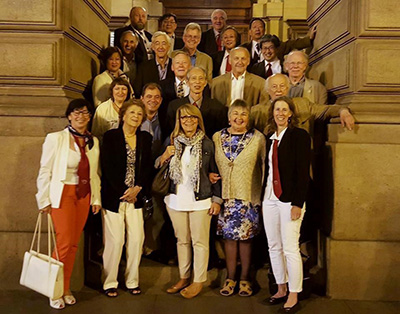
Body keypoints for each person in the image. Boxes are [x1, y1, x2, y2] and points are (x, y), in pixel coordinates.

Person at [36, 99, 101, 309]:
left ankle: (65, 288)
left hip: (83, 194)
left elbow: (94, 174)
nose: (81, 116)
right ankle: (53, 290)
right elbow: (45, 170)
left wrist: (96, 198)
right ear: (69, 115)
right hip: (62, 193)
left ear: (90, 117)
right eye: (76, 112)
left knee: (73, 244)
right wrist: (43, 199)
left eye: (85, 112)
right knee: (63, 243)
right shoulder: (56, 138)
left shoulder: (93, 140)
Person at [158, 104, 222, 299]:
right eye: (184, 118)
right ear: (179, 120)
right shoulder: (172, 140)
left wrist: (217, 199)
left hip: (200, 200)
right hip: (175, 199)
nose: (188, 121)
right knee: (182, 241)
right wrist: (164, 156)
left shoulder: (207, 143)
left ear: (198, 120)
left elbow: (216, 172)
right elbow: (157, 164)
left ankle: (198, 280)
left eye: (193, 118)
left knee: (200, 242)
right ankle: (184, 277)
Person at [211, 99, 266, 297]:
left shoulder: (258, 138)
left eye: (243, 114)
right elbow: (212, 164)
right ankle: (230, 278)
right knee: (229, 240)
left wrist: (261, 196)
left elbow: (264, 167)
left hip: (247, 198)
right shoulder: (217, 137)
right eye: (235, 113)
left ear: (249, 117)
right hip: (225, 198)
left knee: (245, 240)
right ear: (228, 117)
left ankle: (245, 279)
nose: (239, 118)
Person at [261, 96, 311, 312]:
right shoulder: (269, 137)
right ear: (272, 113)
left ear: (291, 113)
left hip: (290, 200)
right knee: (274, 246)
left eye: (284, 109)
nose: (280, 113)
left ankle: (294, 292)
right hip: (269, 198)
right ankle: (280, 287)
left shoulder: (299, 136)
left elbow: (302, 172)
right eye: (277, 109)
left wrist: (298, 203)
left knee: (290, 247)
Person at [101, 99, 153, 298]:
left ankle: (132, 281)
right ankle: (109, 282)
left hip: (136, 198)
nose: (136, 117)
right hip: (114, 198)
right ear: (123, 115)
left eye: (139, 114)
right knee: (115, 241)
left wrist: (137, 188)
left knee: (136, 239)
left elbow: (147, 167)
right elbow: (108, 167)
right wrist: (124, 191)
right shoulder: (111, 136)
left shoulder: (145, 138)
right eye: (132, 113)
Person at [250, 73, 354, 136]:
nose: (279, 90)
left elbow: (326, 110)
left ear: (288, 88)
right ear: (267, 90)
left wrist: (343, 111)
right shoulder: (257, 111)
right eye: (274, 86)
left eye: (282, 86)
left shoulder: (303, 104)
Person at [167, 66, 228, 138]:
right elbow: (170, 132)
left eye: (201, 78)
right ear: (187, 82)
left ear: (205, 83)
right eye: (194, 78)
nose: (197, 82)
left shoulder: (217, 108)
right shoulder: (175, 106)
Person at [242, 19, 316, 70]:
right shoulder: (243, 48)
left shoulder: (276, 44)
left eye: (260, 27)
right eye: (255, 27)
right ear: (250, 32)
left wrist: (309, 39)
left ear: (264, 30)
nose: (257, 29)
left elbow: (292, 44)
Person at [133, 31, 174, 97]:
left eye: (164, 43)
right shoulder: (143, 67)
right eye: (157, 43)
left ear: (169, 46)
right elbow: (138, 91)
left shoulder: (175, 66)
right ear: (152, 47)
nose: (161, 47)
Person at [92, 77, 132, 143]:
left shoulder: (132, 108)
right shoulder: (102, 109)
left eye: (124, 89)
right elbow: (96, 134)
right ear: (112, 91)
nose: (120, 92)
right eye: (117, 89)